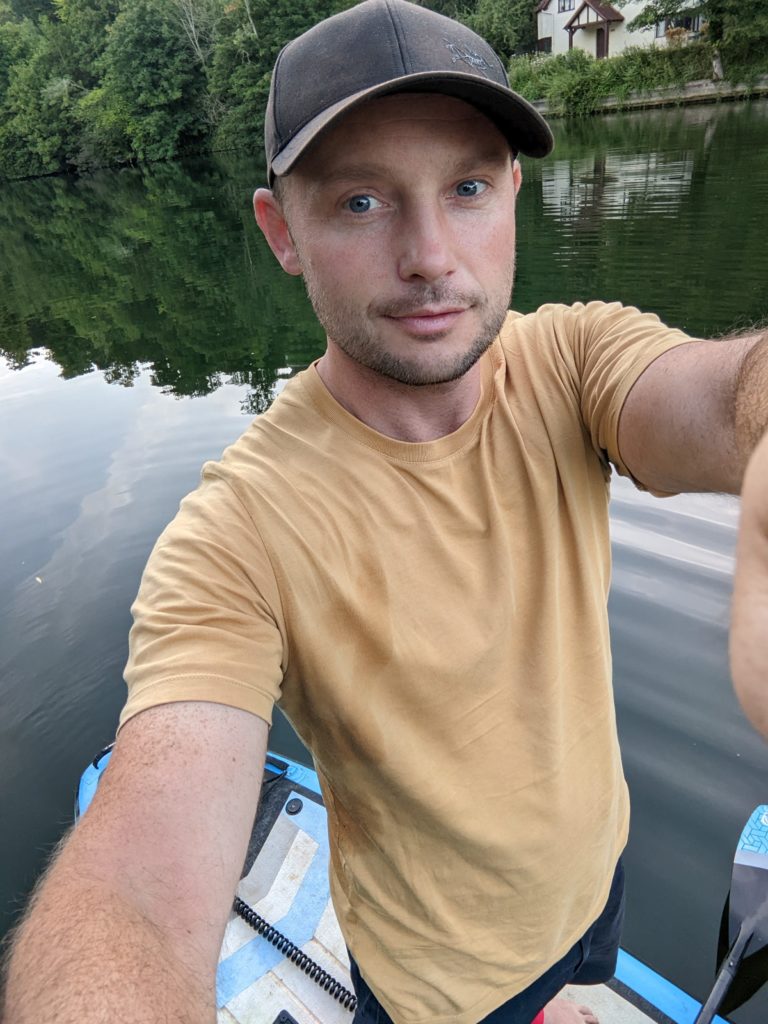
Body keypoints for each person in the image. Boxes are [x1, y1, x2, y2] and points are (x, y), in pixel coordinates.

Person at [3, 1, 767, 1022]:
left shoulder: (573, 358)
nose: (431, 256)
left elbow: (723, 398)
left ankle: (572, 996)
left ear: (512, 194)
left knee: (582, 978)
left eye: (467, 188)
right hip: (436, 982)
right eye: (362, 202)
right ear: (282, 230)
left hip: (593, 873)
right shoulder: (238, 531)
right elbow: (140, 880)